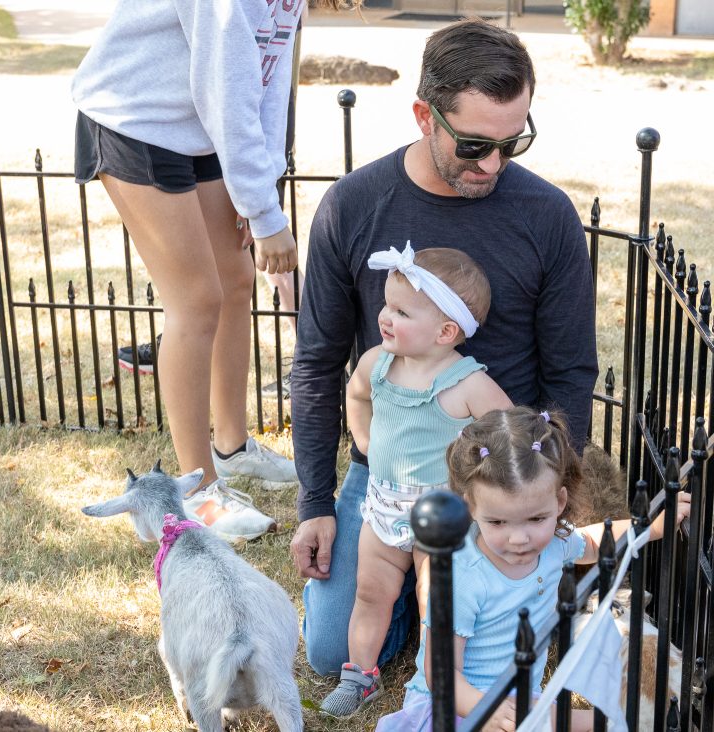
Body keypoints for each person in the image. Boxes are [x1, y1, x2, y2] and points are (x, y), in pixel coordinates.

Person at [289, 17, 599, 676]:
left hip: (496, 473)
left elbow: (570, 371)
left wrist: (544, 491)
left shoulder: (546, 217)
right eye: (475, 143)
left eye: (512, 141)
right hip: (390, 473)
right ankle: (407, 592)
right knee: (329, 653)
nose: (493, 163)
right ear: (424, 115)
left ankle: (443, 595)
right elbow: (318, 364)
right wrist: (316, 504)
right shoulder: (352, 206)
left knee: (503, 647)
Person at [72, 0, 345, 542]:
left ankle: (233, 446)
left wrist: (260, 191)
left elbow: (267, 82)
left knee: (236, 280)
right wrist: (265, 216)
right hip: (136, 119)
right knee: (196, 300)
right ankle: (197, 489)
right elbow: (227, 88)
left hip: (201, 125)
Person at [375, 407, 690, 731]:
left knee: (605, 722)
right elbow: (441, 675)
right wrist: (489, 710)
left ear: (559, 502)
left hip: (523, 699)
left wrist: (650, 528)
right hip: (458, 704)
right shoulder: (462, 578)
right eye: (497, 522)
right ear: (471, 506)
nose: (519, 538)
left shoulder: (554, 543)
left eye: (536, 519)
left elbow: (596, 543)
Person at [318, 245, 511, 717]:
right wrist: (363, 437)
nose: (385, 317)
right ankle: (361, 675)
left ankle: (435, 679)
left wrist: (481, 476)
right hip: (382, 505)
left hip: (440, 515)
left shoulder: (465, 382)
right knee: (370, 590)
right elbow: (357, 395)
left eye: (401, 311)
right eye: (386, 305)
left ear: (447, 332)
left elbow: (510, 433)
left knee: (436, 602)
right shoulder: (377, 364)